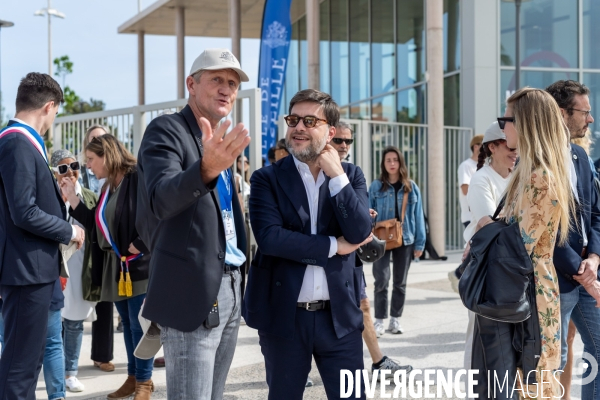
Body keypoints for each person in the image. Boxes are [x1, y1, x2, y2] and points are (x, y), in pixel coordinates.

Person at [243, 88, 372, 400]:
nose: (298, 127)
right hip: (284, 318)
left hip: (339, 319)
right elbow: (271, 239)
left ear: (329, 131)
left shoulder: (350, 176)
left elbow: (358, 232)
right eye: (294, 119)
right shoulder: (266, 179)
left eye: (309, 121)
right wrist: (331, 245)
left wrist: (337, 175)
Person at [136, 48, 249, 400]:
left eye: (232, 83)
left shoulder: (218, 142)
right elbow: (161, 198)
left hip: (230, 285)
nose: (226, 89)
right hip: (192, 291)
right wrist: (205, 170)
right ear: (191, 84)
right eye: (216, 79)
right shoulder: (166, 130)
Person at [472, 87, 575, 398]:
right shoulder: (527, 173)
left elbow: (519, 245)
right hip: (522, 292)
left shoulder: (538, 177)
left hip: (528, 297)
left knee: (530, 388)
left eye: (507, 119)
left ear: (527, 123)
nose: (503, 127)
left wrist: (487, 226)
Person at [0, 72, 85, 399]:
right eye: (56, 112)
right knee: (20, 371)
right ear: (49, 106)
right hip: (26, 272)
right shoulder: (17, 143)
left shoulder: (19, 143)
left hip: (33, 271)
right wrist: (69, 229)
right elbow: (24, 211)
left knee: (27, 364)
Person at [62, 135, 154, 399]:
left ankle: (145, 383)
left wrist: (142, 242)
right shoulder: (109, 186)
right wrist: (72, 198)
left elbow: (157, 211)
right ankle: (134, 378)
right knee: (127, 322)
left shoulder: (136, 177)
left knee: (139, 326)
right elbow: (96, 223)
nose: (88, 166)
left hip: (138, 265)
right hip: (118, 268)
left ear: (107, 155)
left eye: (91, 159)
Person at [330, 122, 413, 375]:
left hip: (350, 254)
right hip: (324, 253)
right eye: (340, 141)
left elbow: (359, 222)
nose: (344, 146)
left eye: (349, 142)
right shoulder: (317, 173)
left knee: (364, 304)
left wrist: (363, 216)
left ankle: (378, 362)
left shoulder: (352, 173)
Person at [546, 80, 600, 400]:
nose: (590, 120)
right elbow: (544, 230)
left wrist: (593, 259)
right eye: (585, 112)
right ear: (564, 114)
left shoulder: (580, 155)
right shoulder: (539, 160)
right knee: (555, 361)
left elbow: (595, 214)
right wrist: (580, 269)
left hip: (585, 271)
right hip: (556, 276)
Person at [459, 122, 516, 376]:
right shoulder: (481, 178)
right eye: (509, 145)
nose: (515, 151)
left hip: (511, 264)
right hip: (486, 265)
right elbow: (487, 225)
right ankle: (475, 386)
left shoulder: (519, 177)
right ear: (492, 147)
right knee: (480, 327)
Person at [50, 149, 99, 393]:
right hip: (55, 266)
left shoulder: (89, 196)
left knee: (75, 323)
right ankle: (55, 370)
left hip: (81, 269)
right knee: (53, 322)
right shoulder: (48, 195)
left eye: (74, 166)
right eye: (62, 168)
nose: (69, 172)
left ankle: (70, 372)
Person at [369, 146, 426, 337]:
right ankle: (379, 320)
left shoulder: (411, 186)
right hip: (380, 239)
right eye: (388, 160)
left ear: (400, 162)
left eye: (395, 160)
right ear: (383, 164)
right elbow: (368, 213)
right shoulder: (376, 186)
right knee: (381, 281)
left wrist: (420, 243)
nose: (392, 163)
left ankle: (395, 319)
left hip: (405, 238)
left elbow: (418, 216)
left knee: (400, 282)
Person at [79, 124, 117, 371]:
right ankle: (69, 356)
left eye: (102, 138)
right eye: (93, 139)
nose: (98, 141)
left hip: (110, 245)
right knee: (77, 302)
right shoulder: (79, 171)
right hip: (84, 241)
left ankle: (103, 356)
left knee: (106, 302)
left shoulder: (119, 176)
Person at [448, 134, 483, 291]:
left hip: (482, 214)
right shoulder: (466, 166)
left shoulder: (485, 165)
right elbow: (464, 188)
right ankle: (459, 274)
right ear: (476, 146)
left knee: (479, 249)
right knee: (476, 248)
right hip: (470, 215)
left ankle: (459, 274)